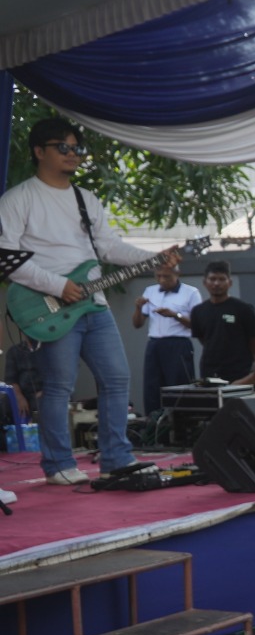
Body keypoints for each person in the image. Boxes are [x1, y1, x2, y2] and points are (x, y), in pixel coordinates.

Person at [0, 118, 178, 485]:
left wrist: (156, 256)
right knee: (59, 385)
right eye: (62, 147)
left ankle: (116, 457)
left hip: (94, 303)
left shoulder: (86, 199)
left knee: (116, 378)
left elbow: (109, 247)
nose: (72, 154)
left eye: (77, 148)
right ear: (39, 152)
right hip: (47, 303)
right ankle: (58, 465)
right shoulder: (19, 199)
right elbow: (6, 257)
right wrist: (58, 285)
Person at [132, 264, 201, 414]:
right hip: (155, 344)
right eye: (158, 276)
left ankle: (182, 425)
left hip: (178, 344)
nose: (162, 280)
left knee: (179, 387)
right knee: (152, 387)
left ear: (177, 274)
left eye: (167, 276)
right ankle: (153, 425)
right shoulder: (150, 291)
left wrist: (175, 315)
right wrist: (138, 308)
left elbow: (198, 325)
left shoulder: (191, 293)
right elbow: (137, 324)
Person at [190, 260, 255, 381]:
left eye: (222, 279)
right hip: (209, 371)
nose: (217, 283)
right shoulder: (197, 311)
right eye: (212, 279)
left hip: (239, 371)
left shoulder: (243, 309)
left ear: (230, 283)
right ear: (205, 283)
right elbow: (204, 339)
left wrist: (248, 359)